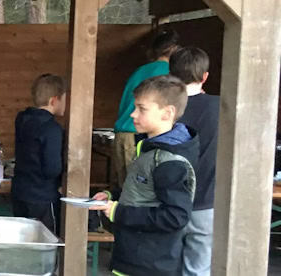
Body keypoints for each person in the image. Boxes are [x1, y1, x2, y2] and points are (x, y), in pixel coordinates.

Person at [90, 75, 198, 276]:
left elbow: (175, 217)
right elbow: (143, 188)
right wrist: (112, 195)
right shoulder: (149, 149)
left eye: (142, 109)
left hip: (151, 264)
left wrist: (118, 212)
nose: (132, 114)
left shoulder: (170, 161)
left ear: (167, 113)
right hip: (133, 257)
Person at [170, 47, 218, 276]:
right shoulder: (220, 108)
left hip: (168, 203)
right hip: (207, 202)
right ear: (205, 76)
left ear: (170, 76)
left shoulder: (164, 110)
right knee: (198, 270)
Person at [113, 28, 180, 189]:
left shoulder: (140, 70)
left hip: (122, 135)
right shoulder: (168, 73)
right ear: (172, 48)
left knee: (124, 189)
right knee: (138, 191)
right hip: (138, 136)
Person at [11, 74, 67, 234]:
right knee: (45, 242)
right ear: (54, 100)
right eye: (64, 99)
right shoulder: (52, 129)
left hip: (20, 191)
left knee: (23, 239)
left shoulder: (21, 119)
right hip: (42, 196)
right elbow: (52, 168)